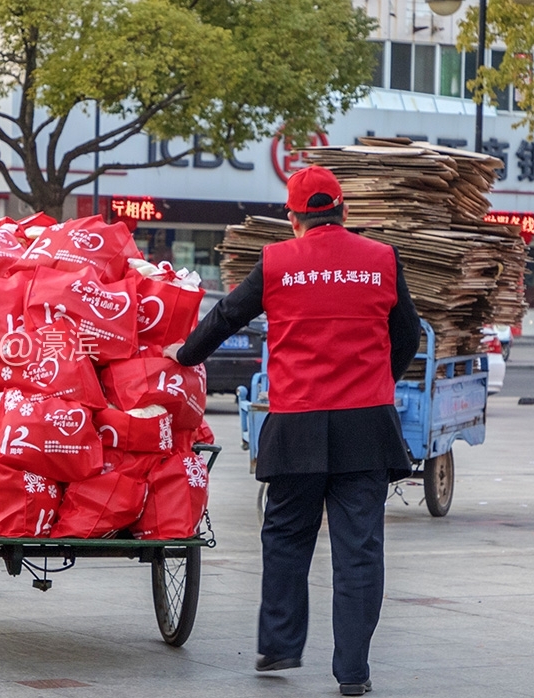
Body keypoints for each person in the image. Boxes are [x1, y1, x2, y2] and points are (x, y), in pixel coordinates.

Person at [166, 165, 420, 696]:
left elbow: (228, 316)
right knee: (360, 550)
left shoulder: (277, 262)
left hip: (296, 425)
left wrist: (184, 355)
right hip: (366, 427)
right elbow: (409, 335)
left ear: (293, 218)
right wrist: (379, 381)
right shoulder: (382, 260)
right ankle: (353, 672)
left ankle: (280, 644)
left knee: (285, 537)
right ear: (345, 211)